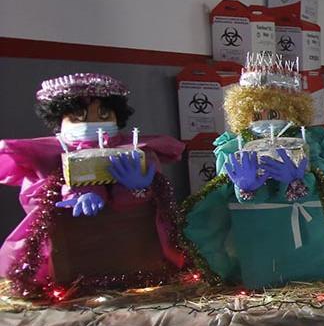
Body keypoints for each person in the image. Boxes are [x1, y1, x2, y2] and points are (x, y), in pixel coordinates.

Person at [183, 53, 324, 288]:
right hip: (258, 233)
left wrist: (300, 182)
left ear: (291, 111)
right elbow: (221, 199)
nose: (265, 121)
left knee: (310, 275)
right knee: (264, 273)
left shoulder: (309, 144)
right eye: (257, 114)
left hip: (306, 235)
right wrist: (245, 188)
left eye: (273, 114)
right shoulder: (232, 149)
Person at [0, 73, 185, 297]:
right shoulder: (43, 155)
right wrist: (77, 191)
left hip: (133, 249)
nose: (93, 123)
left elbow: (154, 201)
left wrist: (138, 189)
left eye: (104, 114)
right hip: (73, 253)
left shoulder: (139, 150)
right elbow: (38, 199)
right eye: (78, 117)